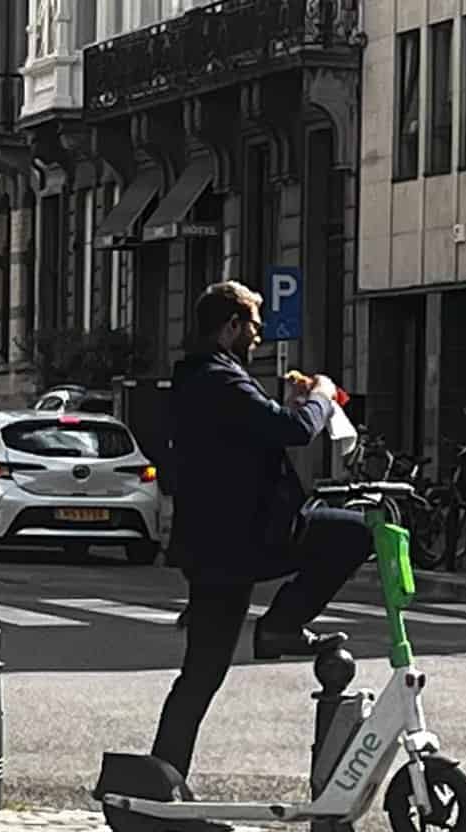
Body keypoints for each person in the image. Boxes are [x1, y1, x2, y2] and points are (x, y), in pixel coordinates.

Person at [151, 280, 373, 784]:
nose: (258, 335)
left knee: (202, 673)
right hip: (249, 534)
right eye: (253, 325)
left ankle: (163, 778)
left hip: (217, 546)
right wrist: (319, 398)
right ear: (231, 326)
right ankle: (280, 626)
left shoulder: (201, 376)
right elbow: (292, 431)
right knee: (354, 534)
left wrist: (288, 404)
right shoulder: (219, 378)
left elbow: (254, 429)